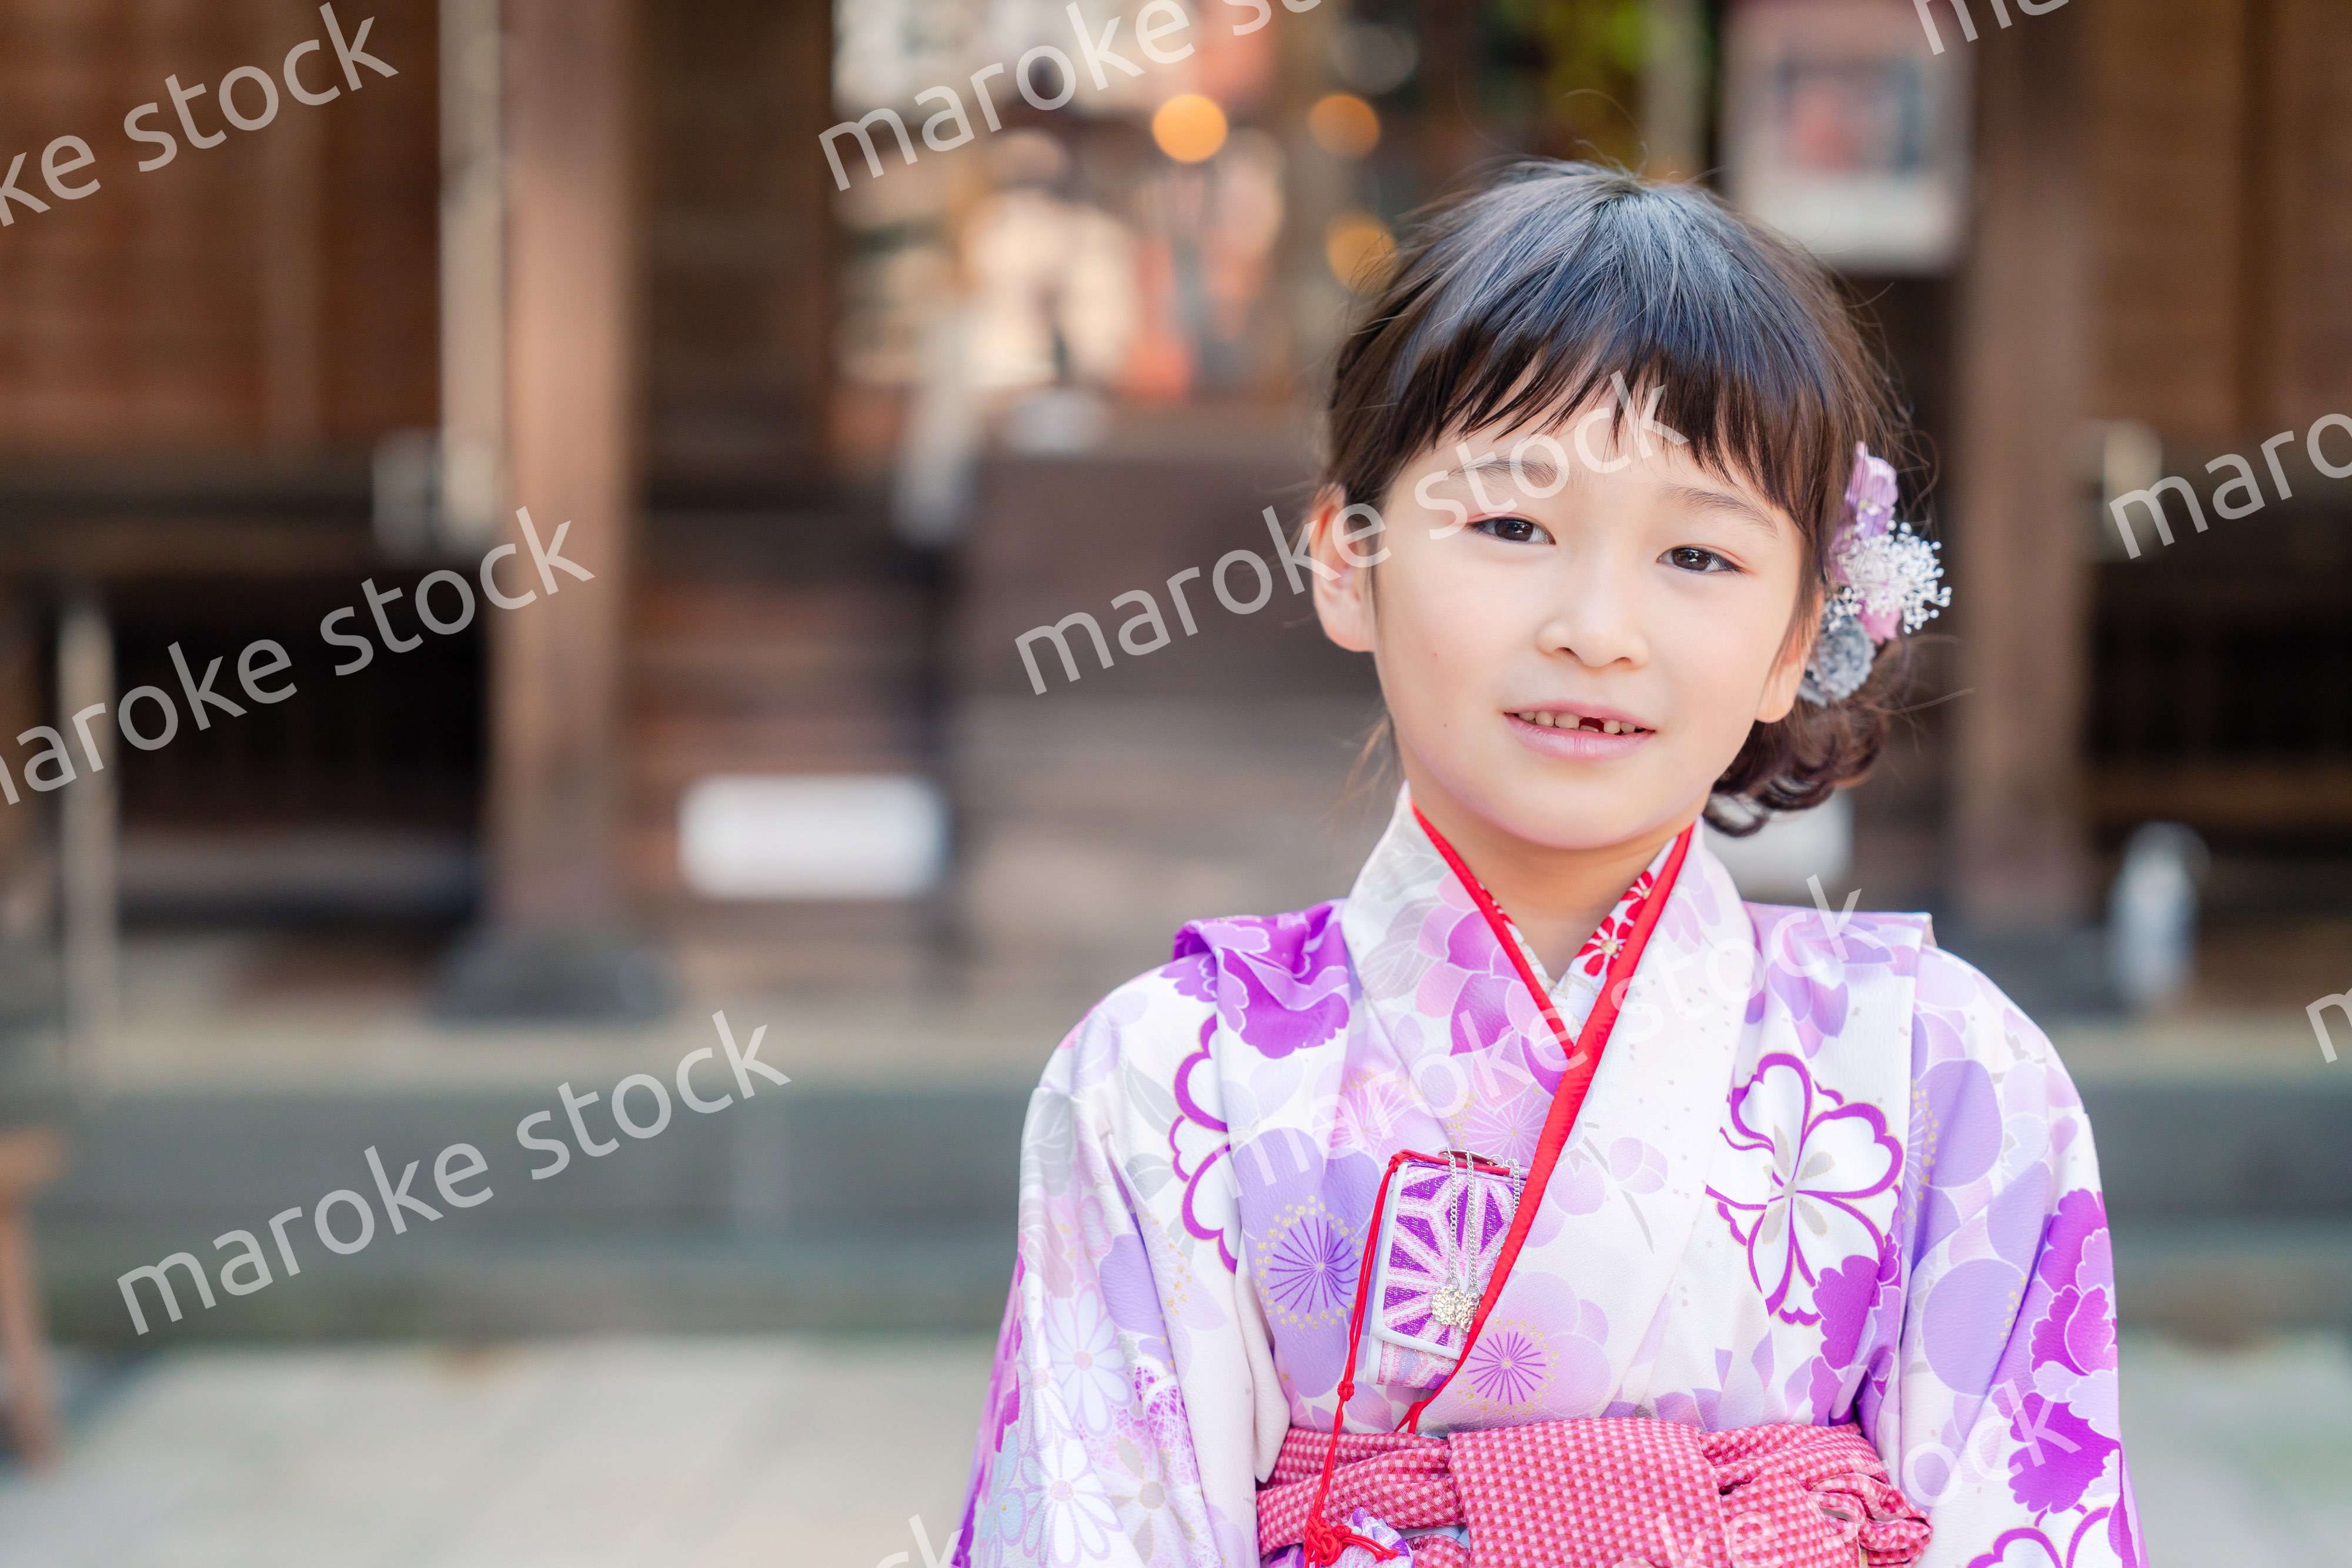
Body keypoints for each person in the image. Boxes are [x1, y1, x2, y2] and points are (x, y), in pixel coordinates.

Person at [952, 162, 2139, 1568]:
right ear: (1348, 557)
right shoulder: (1166, 1083)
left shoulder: (1946, 1072)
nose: (1595, 627)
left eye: (1696, 554)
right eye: (1511, 526)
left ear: (1792, 636)